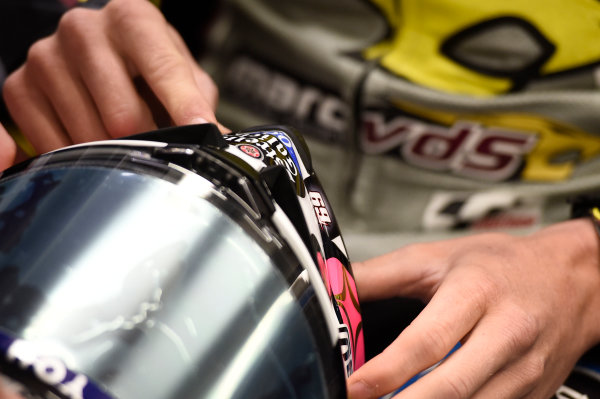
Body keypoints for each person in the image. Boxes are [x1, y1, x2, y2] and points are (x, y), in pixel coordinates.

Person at [1, 0, 600, 398]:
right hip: (187, 206)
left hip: (532, 286)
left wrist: (586, 259)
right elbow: (80, 22)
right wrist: (79, 26)